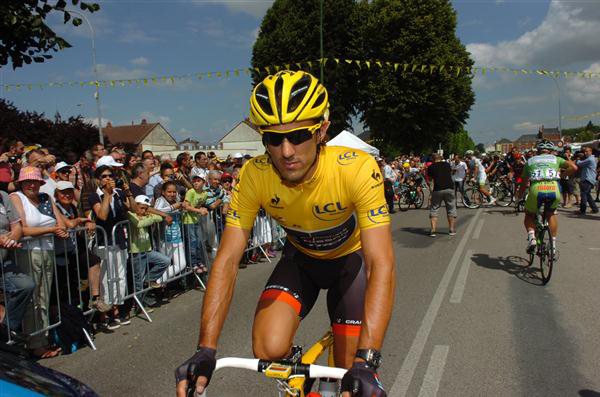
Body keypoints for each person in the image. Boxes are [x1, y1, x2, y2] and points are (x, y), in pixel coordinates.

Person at [175, 70, 394, 397]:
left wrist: (368, 360)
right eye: (273, 139)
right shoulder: (254, 175)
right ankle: (301, 374)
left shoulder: (356, 168)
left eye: (299, 135)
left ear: (321, 131)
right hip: (302, 261)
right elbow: (228, 260)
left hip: (351, 264)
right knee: (268, 348)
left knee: (350, 372)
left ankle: (347, 351)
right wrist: (206, 349)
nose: (287, 151)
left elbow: (381, 264)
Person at [10, 166, 68, 358]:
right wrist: (51, 230)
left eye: (35, 181)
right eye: (27, 181)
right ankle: (34, 343)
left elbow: (60, 222)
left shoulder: (46, 198)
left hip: (47, 251)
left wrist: (60, 229)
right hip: (28, 252)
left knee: (44, 296)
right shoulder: (17, 198)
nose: (32, 185)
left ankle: (41, 340)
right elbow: (22, 229)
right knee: (33, 299)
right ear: (21, 183)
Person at [53, 181, 110, 312]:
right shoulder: (55, 208)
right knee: (68, 288)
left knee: (93, 260)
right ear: (56, 195)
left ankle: (95, 298)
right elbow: (69, 225)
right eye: (63, 193)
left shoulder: (73, 207)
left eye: (69, 192)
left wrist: (87, 225)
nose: (67, 195)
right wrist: (80, 222)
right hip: (60, 252)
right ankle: (73, 318)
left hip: (73, 249)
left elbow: (77, 226)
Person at [516, 140, 577, 254]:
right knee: (551, 214)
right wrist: (562, 175)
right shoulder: (556, 159)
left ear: (538, 150)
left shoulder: (530, 161)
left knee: (529, 214)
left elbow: (524, 183)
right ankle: (553, 245)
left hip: (536, 189)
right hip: (553, 188)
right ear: (551, 151)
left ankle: (532, 238)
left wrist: (519, 198)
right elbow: (574, 168)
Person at [0, 188, 35, 338]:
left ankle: (6, 331)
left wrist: (11, 239)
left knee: (26, 285)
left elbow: (17, 227)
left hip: (3, 261)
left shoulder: (3, 196)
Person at [153, 181, 187, 284]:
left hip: (177, 238)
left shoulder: (176, 200)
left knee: (181, 264)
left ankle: (158, 282)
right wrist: (173, 207)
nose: (172, 194)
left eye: (174, 192)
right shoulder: (160, 200)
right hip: (165, 239)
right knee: (165, 264)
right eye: (169, 192)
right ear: (163, 192)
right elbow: (156, 210)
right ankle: (160, 287)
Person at [427, 153, 457, 236]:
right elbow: (450, 173)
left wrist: (431, 190)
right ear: (441, 158)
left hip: (438, 189)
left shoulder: (431, 167)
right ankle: (451, 229)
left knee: (434, 208)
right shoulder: (447, 165)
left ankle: (433, 230)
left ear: (433, 159)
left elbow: (430, 179)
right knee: (451, 208)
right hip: (449, 188)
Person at [576, 147, 598, 214]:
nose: (585, 153)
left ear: (591, 152)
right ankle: (595, 209)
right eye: (584, 152)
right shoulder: (591, 158)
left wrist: (577, 159)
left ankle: (582, 210)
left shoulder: (590, 159)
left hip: (587, 179)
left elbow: (579, 163)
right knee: (587, 195)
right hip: (589, 179)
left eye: (587, 151)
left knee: (584, 195)